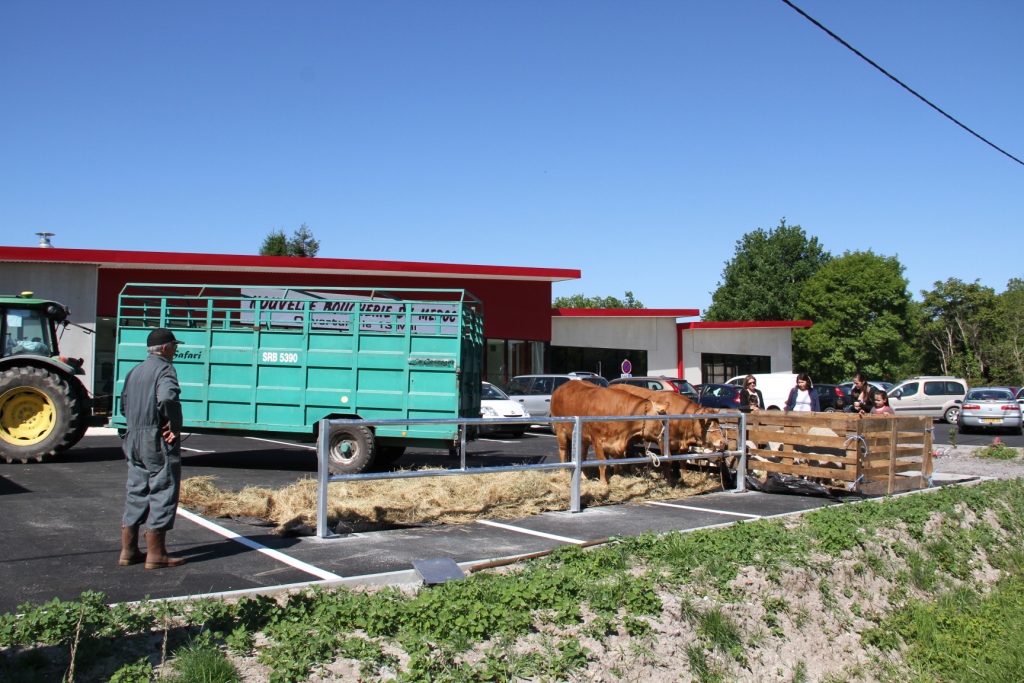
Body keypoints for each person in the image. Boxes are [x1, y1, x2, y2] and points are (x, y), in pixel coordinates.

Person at [119, 328, 186, 569]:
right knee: (163, 488)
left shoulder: (134, 371)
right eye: (175, 347)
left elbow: (124, 404)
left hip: (132, 436)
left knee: (136, 489)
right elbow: (168, 397)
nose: (176, 351)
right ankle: (156, 554)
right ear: (166, 348)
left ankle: (128, 551)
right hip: (154, 436)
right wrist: (174, 425)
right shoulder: (164, 369)